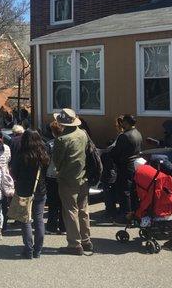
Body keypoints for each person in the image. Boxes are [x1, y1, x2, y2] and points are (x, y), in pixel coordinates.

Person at [52, 109, 91, 256]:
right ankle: (86, 240)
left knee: (70, 210)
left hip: (68, 178)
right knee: (83, 209)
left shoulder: (62, 139)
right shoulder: (83, 134)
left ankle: (75, 243)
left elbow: (57, 161)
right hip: (83, 176)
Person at [12, 130, 49, 259]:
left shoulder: (22, 155)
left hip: (23, 190)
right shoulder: (44, 154)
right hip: (40, 190)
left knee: (25, 220)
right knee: (39, 219)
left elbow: (15, 172)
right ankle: (38, 250)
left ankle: (28, 249)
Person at [109, 114, 143, 224]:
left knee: (124, 192)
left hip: (125, 165)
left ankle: (126, 216)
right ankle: (135, 214)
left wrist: (108, 154)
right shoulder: (138, 133)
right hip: (135, 165)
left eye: (123, 122)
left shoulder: (125, 136)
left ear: (127, 123)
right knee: (133, 191)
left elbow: (116, 152)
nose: (121, 124)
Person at [98, 117, 123, 223]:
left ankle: (110, 212)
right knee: (111, 191)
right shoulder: (121, 136)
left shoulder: (121, 137)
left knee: (109, 192)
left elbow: (111, 150)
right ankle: (112, 211)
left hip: (112, 169)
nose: (115, 127)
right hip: (114, 169)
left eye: (117, 125)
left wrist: (100, 152)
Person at [44, 122, 66, 234]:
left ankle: (51, 227)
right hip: (64, 175)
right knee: (63, 202)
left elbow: (45, 161)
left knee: (52, 203)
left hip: (51, 175)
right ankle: (63, 227)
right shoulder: (67, 142)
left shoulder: (49, 144)